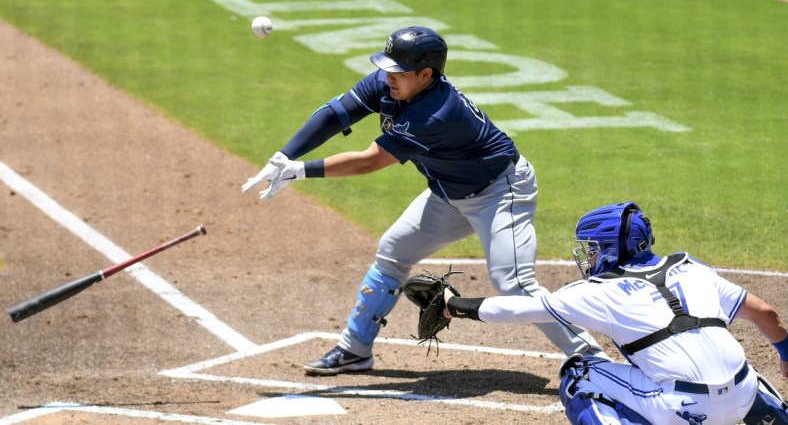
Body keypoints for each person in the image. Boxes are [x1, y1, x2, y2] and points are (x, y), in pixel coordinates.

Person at [241, 26, 605, 375]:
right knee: (393, 250)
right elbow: (336, 115)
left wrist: (301, 171)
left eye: (399, 71)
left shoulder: (435, 113)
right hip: (449, 191)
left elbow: (371, 161)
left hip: (500, 193)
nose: (388, 77)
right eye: (386, 68)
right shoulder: (390, 85)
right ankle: (355, 350)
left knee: (513, 283)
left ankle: (592, 358)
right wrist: (284, 155)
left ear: (426, 74)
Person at [442, 201, 788, 425]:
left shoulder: (599, 292)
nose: (588, 258)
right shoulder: (693, 269)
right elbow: (765, 313)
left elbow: (518, 309)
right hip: (741, 400)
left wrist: (454, 305)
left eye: (591, 250)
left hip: (682, 412)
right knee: (730, 358)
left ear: (610, 249)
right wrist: (785, 355)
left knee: (579, 372)